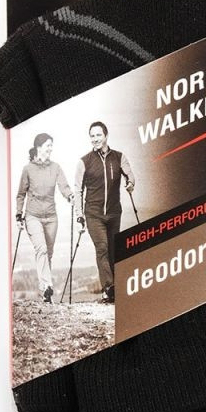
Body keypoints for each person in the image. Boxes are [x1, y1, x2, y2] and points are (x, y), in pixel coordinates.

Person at [74, 121, 136, 303]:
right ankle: (108, 288)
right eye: (92, 136)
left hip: (114, 213)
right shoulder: (84, 162)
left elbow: (130, 175)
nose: (95, 139)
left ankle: (117, 288)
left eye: (98, 135)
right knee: (102, 248)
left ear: (106, 136)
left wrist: (130, 184)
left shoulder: (119, 157)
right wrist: (79, 215)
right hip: (93, 214)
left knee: (113, 250)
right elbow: (78, 190)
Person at [15, 133, 73, 303]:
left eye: (51, 145)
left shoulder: (55, 167)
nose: (50, 149)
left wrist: (69, 196)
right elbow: (21, 194)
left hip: (51, 217)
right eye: (48, 145)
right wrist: (19, 214)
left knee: (49, 253)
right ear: (39, 147)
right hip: (32, 216)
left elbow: (64, 186)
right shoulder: (28, 169)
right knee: (41, 249)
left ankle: (46, 295)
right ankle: (47, 286)